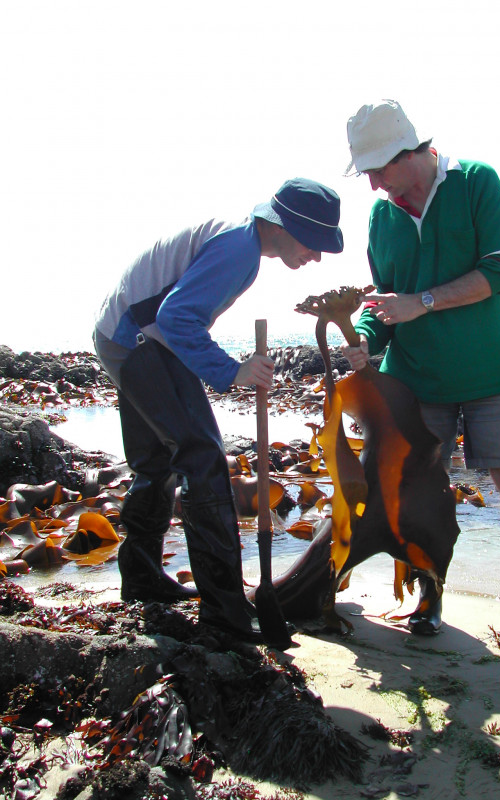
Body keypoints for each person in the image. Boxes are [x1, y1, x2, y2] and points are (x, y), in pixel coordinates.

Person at [341, 99, 500, 657]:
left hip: (494, 371)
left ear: (409, 153)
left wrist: (426, 301)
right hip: (416, 380)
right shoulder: (382, 216)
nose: (372, 186)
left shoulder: (477, 182)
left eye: (377, 170)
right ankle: (430, 596)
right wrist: (368, 337)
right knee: (421, 488)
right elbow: (383, 301)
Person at [93, 178, 344, 643]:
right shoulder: (239, 249)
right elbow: (175, 316)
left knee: (157, 462)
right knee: (203, 458)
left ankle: (143, 580)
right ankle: (225, 614)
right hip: (141, 340)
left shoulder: (240, 241)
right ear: (287, 226)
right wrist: (232, 371)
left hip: (123, 335)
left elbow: (174, 313)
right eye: (316, 244)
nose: (317, 257)